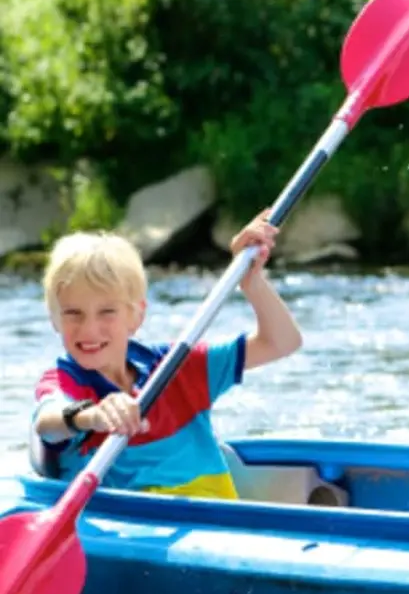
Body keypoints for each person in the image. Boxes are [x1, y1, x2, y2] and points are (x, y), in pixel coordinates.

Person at [29, 211, 302, 499]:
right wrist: (90, 416)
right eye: (73, 313)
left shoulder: (177, 366)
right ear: (54, 319)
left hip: (219, 525)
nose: (89, 329)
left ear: (136, 316)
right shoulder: (65, 383)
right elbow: (47, 423)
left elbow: (282, 342)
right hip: (137, 534)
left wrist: (252, 283)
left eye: (107, 312)